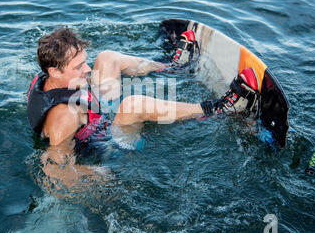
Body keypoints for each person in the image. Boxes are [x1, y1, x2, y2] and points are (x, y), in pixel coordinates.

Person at [27, 28, 259, 188]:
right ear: (54, 72)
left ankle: (173, 67)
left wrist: (82, 72)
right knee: (132, 105)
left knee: (107, 58)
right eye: (78, 67)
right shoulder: (63, 118)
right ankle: (219, 109)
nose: (87, 69)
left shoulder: (50, 77)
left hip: (97, 115)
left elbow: (84, 79)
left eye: (85, 62)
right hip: (106, 145)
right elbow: (55, 172)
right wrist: (101, 176)